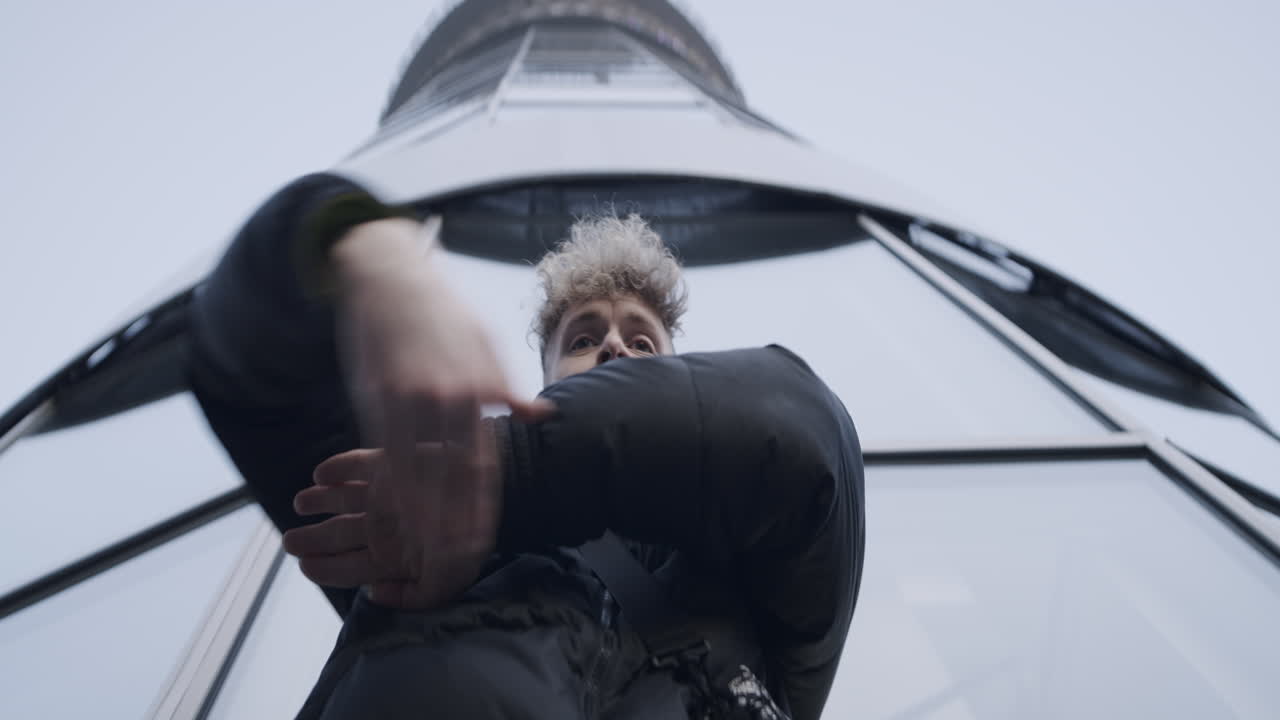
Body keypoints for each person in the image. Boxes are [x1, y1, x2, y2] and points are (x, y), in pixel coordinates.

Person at [189, 173, 865, 720]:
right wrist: (375, 257)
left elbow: (800, 429)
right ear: (545, 377)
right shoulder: (418, 524)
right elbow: (239, 371)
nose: (612, 347)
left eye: (642, 341)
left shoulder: (745, 573)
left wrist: (514, 467)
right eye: (581, 336)